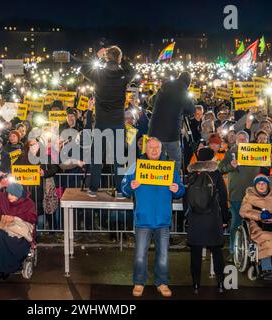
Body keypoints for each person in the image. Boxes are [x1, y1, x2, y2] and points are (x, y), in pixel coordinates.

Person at [121, 137, 185, 298]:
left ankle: (162, 282)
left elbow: (181, 190)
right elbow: (123, 189)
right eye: (151, 148)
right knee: (140, 255)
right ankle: (138, 282)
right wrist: (130, 186)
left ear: (161, 149)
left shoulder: (170, 168)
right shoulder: (136, 166)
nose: (155, 150)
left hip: (163, 219)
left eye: (157, 147)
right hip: (143, 219)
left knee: (163, 255)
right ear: (145, 149)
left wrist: (177, 189)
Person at [79, 46, 135, 199]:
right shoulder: (123, 74)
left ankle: (93, 189)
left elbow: (83, 68)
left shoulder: (99, 74)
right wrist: (120, 59)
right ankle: (119, 190)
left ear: (106, 57)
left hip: (101, 122)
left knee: (97, 157)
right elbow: (132, 71)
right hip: (117, 122)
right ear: (118, 58)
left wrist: (97, 57)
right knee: (118, 159)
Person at [186, 148, 228, 293]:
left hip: (195, 218)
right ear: (211, 158)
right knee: (216, 251)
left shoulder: (191, 173)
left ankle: (196, 284)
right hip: (212, 218)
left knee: (195, 253)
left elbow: (187, 198)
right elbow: (223, 196)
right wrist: (225, 218)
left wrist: (187, 217)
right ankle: (221, 283)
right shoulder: (216, 174)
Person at [218, 130, 261, 262]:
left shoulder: (256, 151)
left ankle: (255, 252)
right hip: (236, 194)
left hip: (253, 195)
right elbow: (220, 169)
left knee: (254, 224)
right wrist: (230, 166)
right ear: (235, 140)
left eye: (244, 138)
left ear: (248, 140)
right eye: (239, 138)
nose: (242, 140)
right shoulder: (231, 153)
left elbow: (270, 163)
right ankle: (233, 250)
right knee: (236, 223)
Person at [240, 174, 272, 280]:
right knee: (265, 237)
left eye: (263, 183)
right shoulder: (250, 196)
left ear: (268, 185)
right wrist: (259, 216)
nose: (261, 185)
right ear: (255, 186)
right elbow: (243, 211)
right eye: (259, 183)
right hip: (257, 225)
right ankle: (266, 268)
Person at [0, 178, 37, 279]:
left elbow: (32, 219)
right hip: (5, 228)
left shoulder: (28, 203)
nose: (9, 196)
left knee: (2, 237)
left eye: (12, 194)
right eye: (9, 193)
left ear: (18, 195)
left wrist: (15, 219)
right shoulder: (4, 198)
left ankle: (7, 267)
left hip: (18, 232)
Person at [147, 72, 195, 172]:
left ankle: (155, 182)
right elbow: (191, 110)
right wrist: (182, 109)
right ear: (188, 83)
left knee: (156, 158)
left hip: (155, 130)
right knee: (175, 159)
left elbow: (153, 101)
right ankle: (174, 182)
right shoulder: (183, 91)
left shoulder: (165, 86)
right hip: (171, 133)